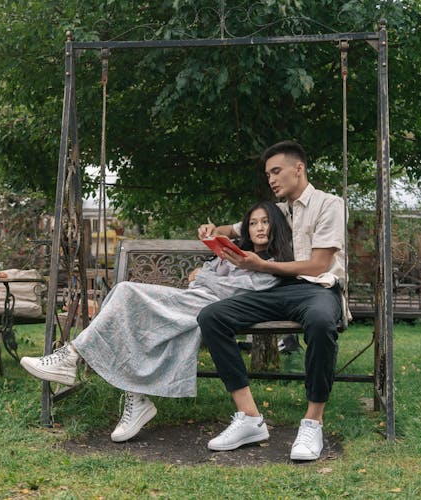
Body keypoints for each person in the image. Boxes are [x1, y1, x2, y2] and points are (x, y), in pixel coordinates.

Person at [19, 201, 294, 442]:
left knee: (126, 293)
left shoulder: (272, 265)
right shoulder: (235, 252)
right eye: (253, 223)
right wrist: (208, 250)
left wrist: (203, 276)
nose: (259, 228)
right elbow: (210, 266)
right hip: (194, 301)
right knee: (126, 302)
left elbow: (234, 292)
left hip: (212, 308)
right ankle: (126, 390)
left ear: (277, 226)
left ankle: (73, 359)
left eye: (266, 222)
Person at [196, 140, 346, 461]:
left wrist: (262, 265)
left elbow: (319, 264)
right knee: (212, 317)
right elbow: (235, 228)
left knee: (321, 322)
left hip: (317, 289)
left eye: (276, 171)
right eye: (268, 175)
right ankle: (250, 418)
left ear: (299, 169)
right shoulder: (276, 211)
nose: (272, 179)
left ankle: (312, 422)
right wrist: (212, 229)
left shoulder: (329, 204)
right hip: (275, 289)